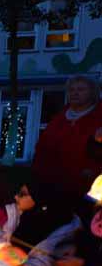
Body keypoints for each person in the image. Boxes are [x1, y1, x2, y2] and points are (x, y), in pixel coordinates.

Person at [31, 75, 102, 203]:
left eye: (81, 89)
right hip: (55, 186)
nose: (75, 93)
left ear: (93, 92)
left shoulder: (99, 118)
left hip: (90, 189)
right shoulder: (59, 119)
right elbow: (43, 149)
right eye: (71, 90)